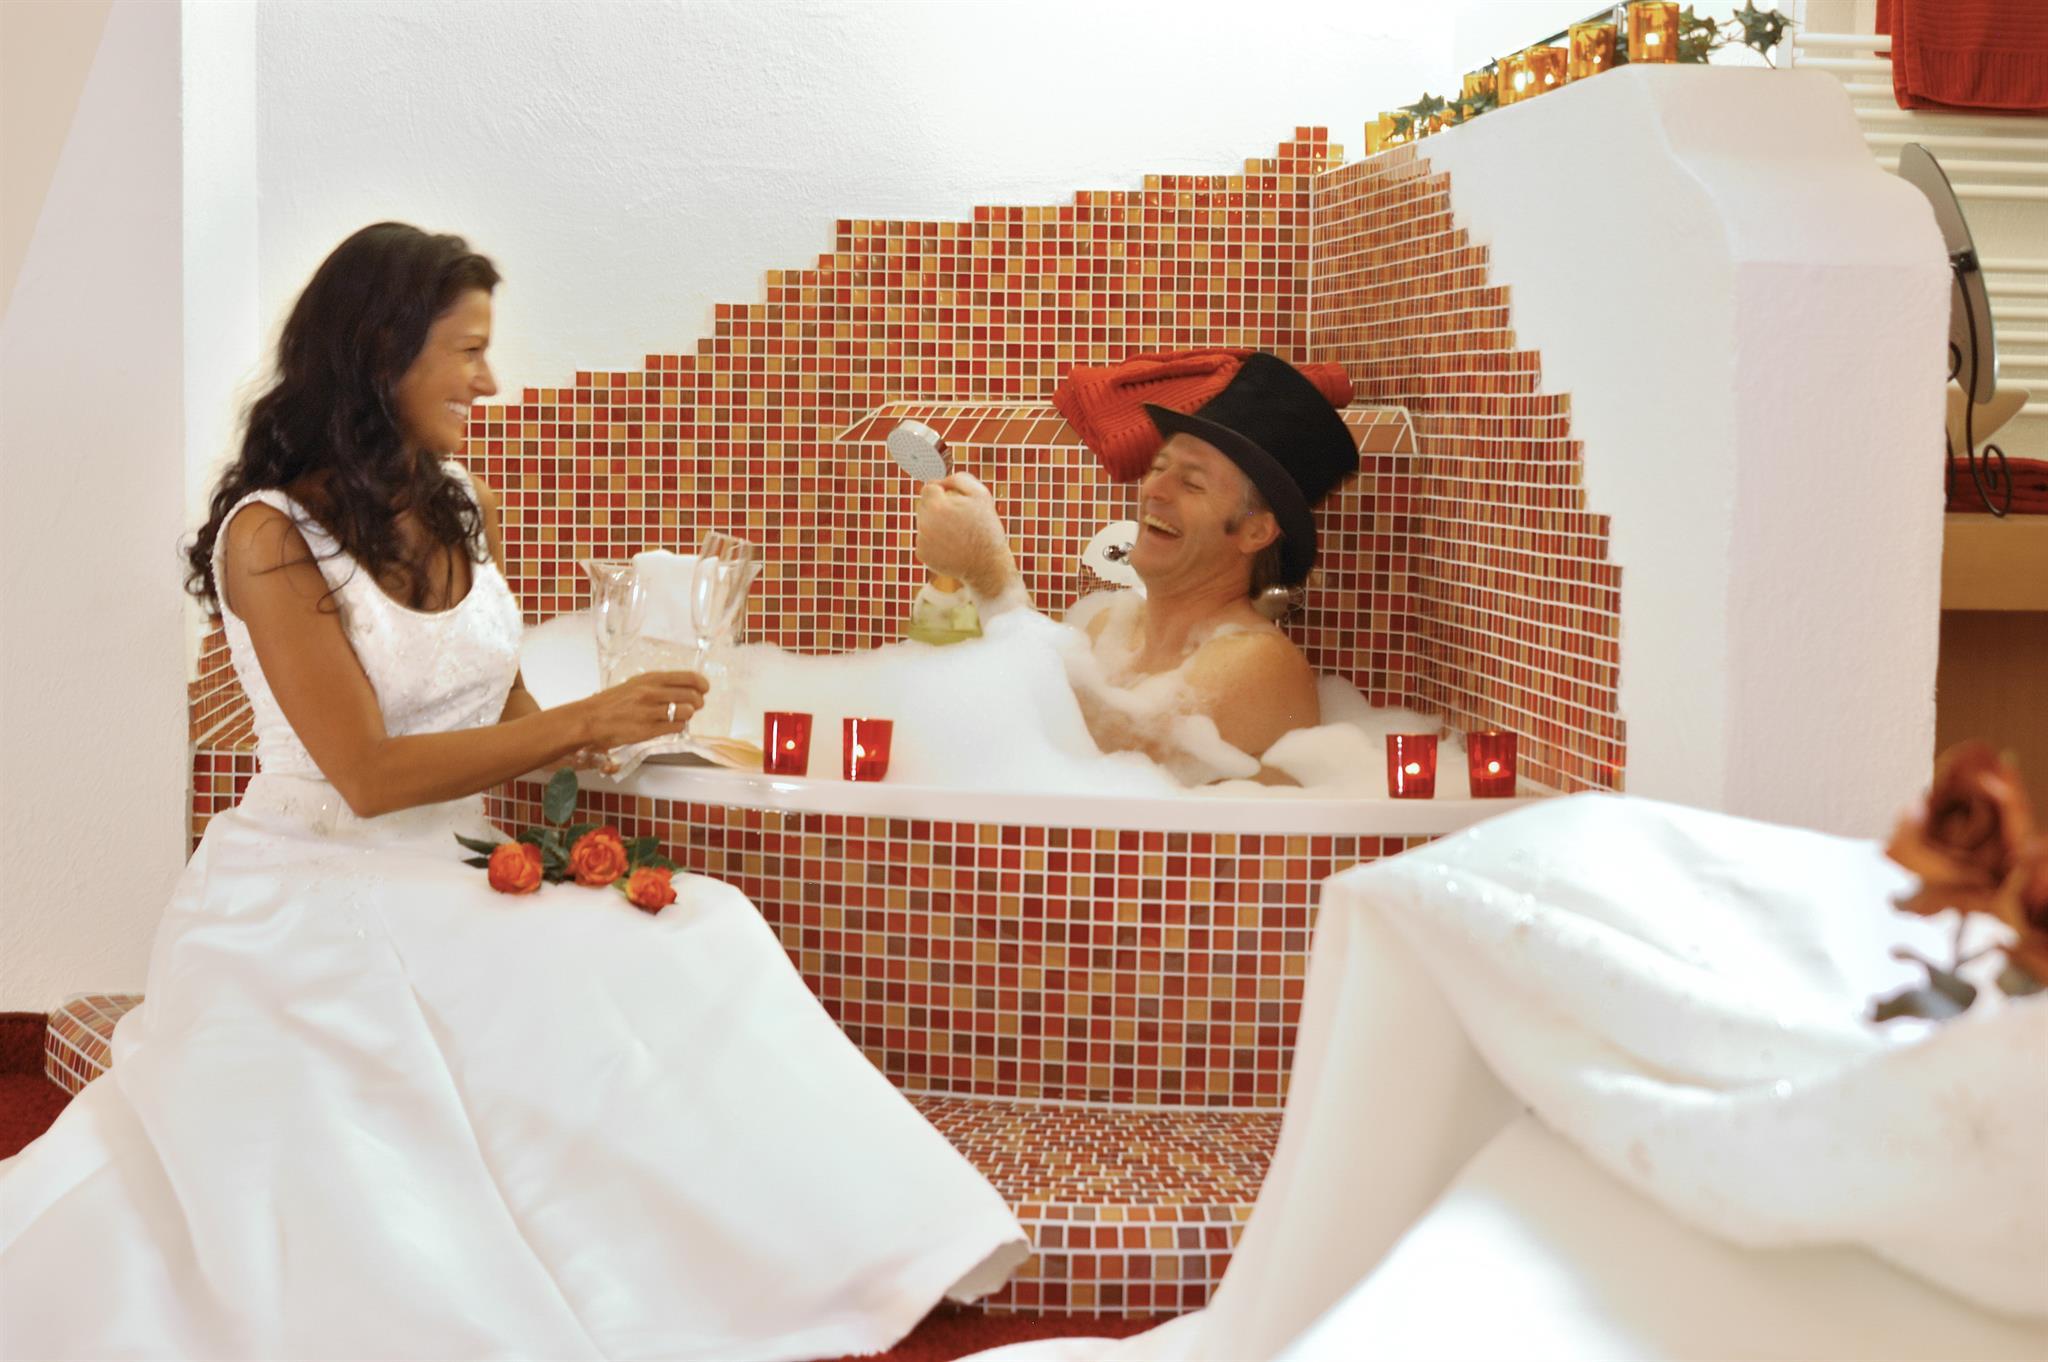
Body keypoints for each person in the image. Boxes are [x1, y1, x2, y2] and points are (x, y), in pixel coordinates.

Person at [0, 222, 1024, 1360]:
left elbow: (506, 719)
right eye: (468, 350)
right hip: (312, 883)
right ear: (381, 352)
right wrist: (581, 721)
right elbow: (366, 775)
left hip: (452, 863)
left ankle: (806, 1254)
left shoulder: (455, 502)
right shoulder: (271, 536)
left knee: (710, 925)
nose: (489, 381)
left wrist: (618, 738)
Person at [917, 352, 1358, 784]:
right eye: (1159, 466)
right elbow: (1035, 741)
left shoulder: (1262, 663)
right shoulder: (1110, 626)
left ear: (1254, 531)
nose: (1154, 490)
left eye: (1192, 483)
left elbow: (1106, 761)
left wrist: (990, 574)